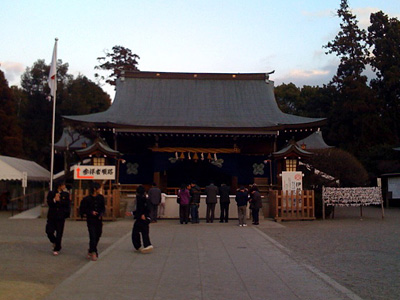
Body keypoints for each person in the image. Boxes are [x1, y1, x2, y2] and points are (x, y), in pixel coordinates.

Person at [79, 182, 105, 261]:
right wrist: (90, 212)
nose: (100, 190)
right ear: (94, 189)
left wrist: (101, 213)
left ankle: (91, 249)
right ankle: (94, 252)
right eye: (99, 188)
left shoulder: (101, 198)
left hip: (98, 219)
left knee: (98, 234)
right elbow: (82, 209)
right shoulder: (87, 199)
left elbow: (103, 208)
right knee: (92, 235)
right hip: (91, 220)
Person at [45, 181, 70, 256]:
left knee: (59, 233)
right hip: (52, 216)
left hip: (61, 216)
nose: (64, 186)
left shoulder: (66, 194)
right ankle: (55, 242)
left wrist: (60, 201)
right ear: (59, 186)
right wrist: (54, 200)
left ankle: (57, 248)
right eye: (63, 185)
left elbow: (67, 204)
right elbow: (49, 202)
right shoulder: (51, 193)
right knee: (49, 231)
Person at [126, 185, 153, 253]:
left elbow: (139, 209)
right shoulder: (146, 199)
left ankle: (139, 246)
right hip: (146, 217)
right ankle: (147, 245)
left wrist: (138, 214)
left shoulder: (139, 198)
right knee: (144, 232)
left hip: (141, 218)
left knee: (135, 232)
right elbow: (147, 209)